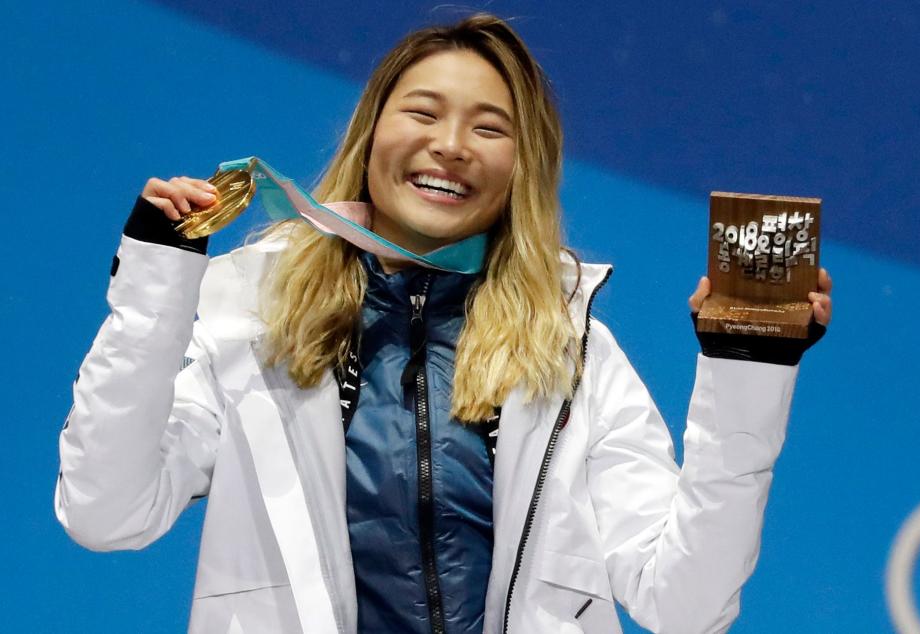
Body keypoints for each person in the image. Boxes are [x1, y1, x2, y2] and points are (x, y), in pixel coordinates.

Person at [54, 13, 832, 634]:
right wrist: (156, 284)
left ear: (522, 166)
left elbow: (685, 605)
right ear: (371, 136)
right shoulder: (256, 323)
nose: (451, 146)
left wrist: (745, 370)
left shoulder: (570, 348)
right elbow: (106, 511)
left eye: (490, 129)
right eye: (423, 112)